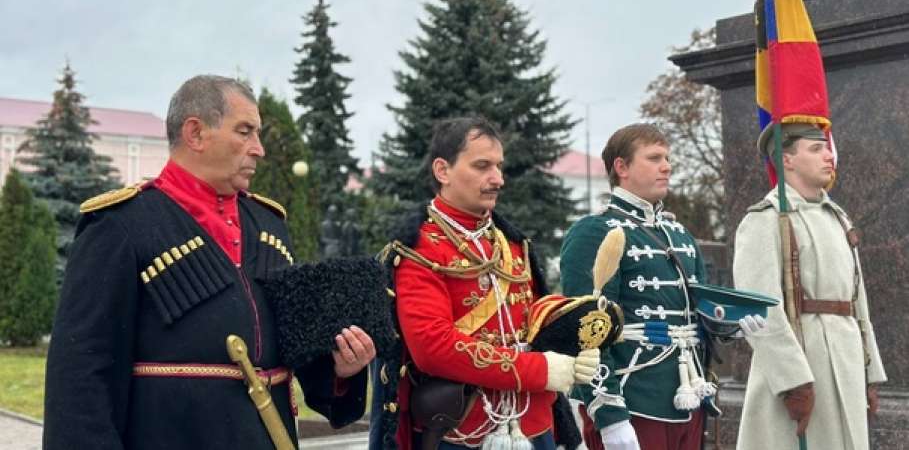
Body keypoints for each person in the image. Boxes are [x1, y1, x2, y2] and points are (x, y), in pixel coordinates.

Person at [43, 75, 375, 449]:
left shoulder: (269, 224)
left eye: (258, 134)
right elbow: (80, 373)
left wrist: (340, 371)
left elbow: (297, 351)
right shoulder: (121, 224)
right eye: (245, 132)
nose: (259, 149)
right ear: (195, 133)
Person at [371, 116, 597, 450]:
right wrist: (537, 369)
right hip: (460, 431)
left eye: (499, 166)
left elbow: (530, 322)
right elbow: (433, 348)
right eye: (482, 166)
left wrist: (574, 338)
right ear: (442, 171)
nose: (498, 179)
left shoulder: (513, 243)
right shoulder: (420, 248)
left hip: (533, 427)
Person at [733, 123, 886, 450]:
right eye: (815, 149)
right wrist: (792, 382)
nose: (829, 156)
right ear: (787, 159)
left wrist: (870, 373)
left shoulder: (838, 217)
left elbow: (859, 302)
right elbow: (761, 310)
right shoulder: (766, 219)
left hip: (846, 360)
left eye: (827, 148)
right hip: (802, 364)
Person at [560, 123, 710, 450]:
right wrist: (609, 414)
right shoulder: (595, 230)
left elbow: (700, 313)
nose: (667, 166)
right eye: (655, 157)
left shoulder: (680, 235)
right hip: (634, 397)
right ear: (622, 167)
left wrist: (732, 323)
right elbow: (585, 332)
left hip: (690, 394)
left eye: (667, 157)